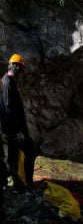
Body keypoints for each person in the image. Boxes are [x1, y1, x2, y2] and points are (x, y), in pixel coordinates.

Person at [0, 54, 36, 192]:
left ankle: (18, 185)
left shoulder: (5, 81)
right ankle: (28, 185)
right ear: (15, 67)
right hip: (15, 130)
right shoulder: (8, 83)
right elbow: (8, 109)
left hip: (12, 129)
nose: (21, 73)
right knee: (29, 153)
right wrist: (18, 132)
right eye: (21, 70)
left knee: (13, 157)